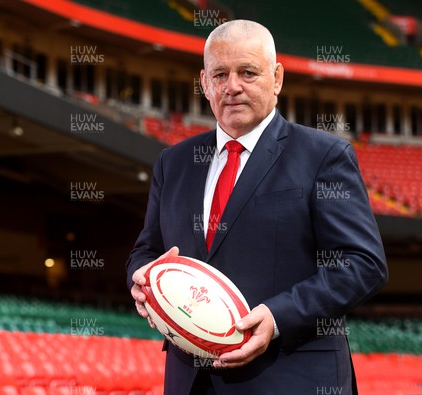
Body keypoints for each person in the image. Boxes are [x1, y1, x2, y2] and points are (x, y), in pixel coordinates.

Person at [126, 19, 387, 395]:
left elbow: (363, 263)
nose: (232, 87)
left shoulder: (323, 155)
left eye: (247, 72)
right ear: (204, 83)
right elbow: (146, 250)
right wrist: (141, 278)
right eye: (220, 75)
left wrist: (279, 316)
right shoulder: (174, 162)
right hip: (191, 381)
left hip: (290, 378)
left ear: (277, 78)